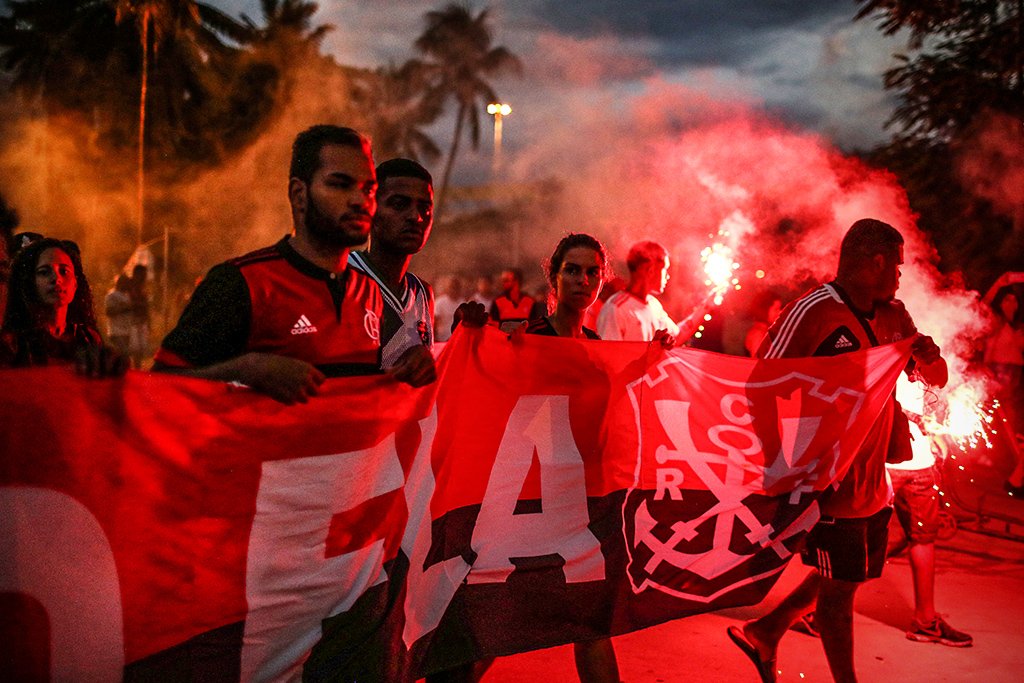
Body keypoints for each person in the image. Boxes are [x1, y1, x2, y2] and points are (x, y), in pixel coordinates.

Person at [727, 219, 948, 683]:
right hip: (830, 479)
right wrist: (783, 463)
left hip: (874, 482)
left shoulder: (895, 315)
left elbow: (937, 378)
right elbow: (759, 385)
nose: (902, 276)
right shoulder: (812, 311)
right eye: (899, 267)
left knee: (846, 576)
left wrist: (928, 357)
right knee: (838, 596)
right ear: (876, 262)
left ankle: (765, 631)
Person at [154, 125, 388, 403]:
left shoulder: (371, 291)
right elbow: (156, 388)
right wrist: (242, 371)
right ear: (299, 194)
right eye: (340, 184)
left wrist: (406, 371)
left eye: (369, 189)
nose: (360, 200)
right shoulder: (240, 283)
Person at [524, 233, 620, 682]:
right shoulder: (527, 342)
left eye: (592, 272)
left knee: (591, 623)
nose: (582, 279)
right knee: (497, 620)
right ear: (554, 277)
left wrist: (654, 361)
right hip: (527, 506)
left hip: (583, 504)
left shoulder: (600, 349)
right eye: (572, 270)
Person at [347, 157, 437, 386]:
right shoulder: (340, 278)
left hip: (401, 423)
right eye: (399, 204)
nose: (415, 217)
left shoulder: (422, 293)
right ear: (370, 209)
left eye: (424, 208)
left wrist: (466, 338)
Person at [1, 236, 125, 376]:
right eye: (44, 272)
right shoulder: (13, 342)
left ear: (75, 284)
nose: (56, 279)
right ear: (30, 283)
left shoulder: (87, 337)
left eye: (64, 271)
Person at [595, 240, 709, 345]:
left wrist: (707, 306)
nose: (668, 276)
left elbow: (677, 336)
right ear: (650, 270)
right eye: (665, 269)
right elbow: (609, 359)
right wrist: (651, 350)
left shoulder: (653, 305)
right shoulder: (615, 308)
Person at [744, 290, 783, 357]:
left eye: (780, 309)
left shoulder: (767, 331)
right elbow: (759, 362)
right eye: (776, 309)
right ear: (765, 310)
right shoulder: (758, 334)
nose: (780, 312)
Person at [105, 273, 134, 356]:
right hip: (116, 331)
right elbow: (109, 312)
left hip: (126, 330)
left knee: (123, 355)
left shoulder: (127, 296)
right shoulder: (111, 295)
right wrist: (124, 308)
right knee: (123, 353)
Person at [434, 275, 463, 342]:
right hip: (442, 339)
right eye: (451, 287)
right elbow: (434, 322)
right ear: (447, 288)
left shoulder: (463, 303)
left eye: (456, 287)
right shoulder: (440, 302)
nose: (453, 289)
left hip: (458, 340)